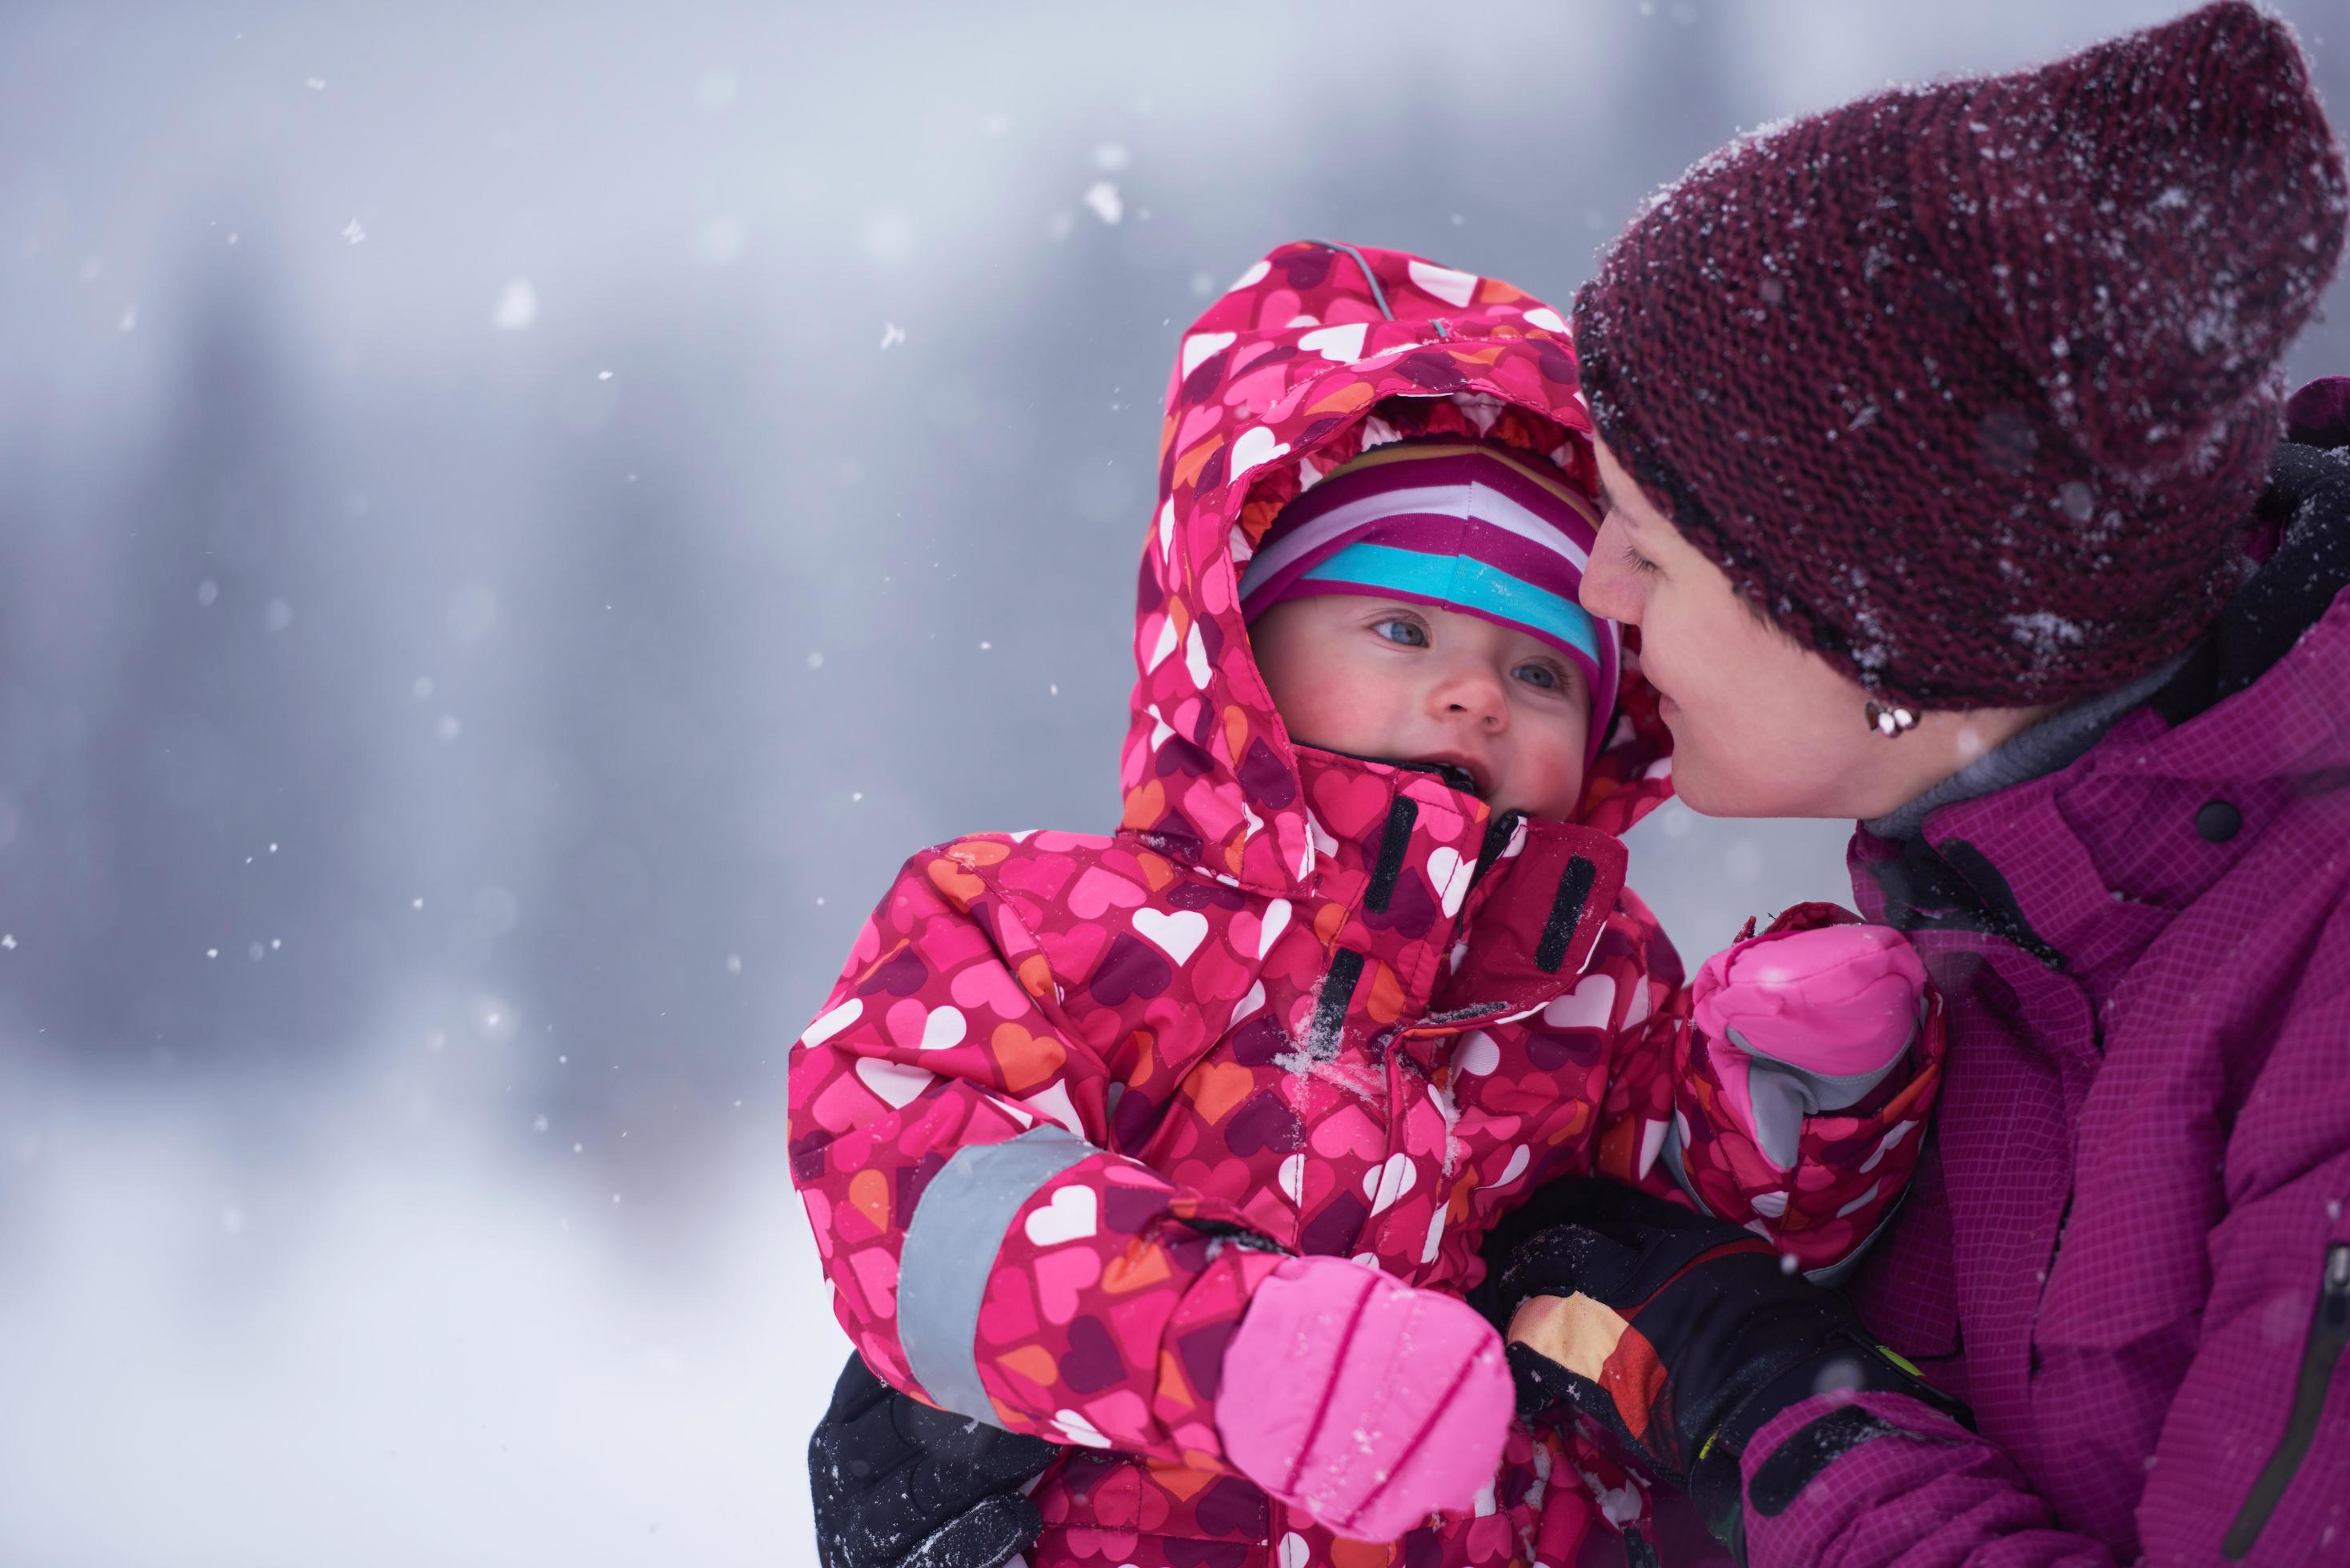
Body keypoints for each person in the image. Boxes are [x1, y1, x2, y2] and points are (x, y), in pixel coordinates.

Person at [789, 240, 1950, 1568]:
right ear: (1242, 642)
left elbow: (1697, 1253)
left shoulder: (1593, 981)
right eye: (1402, 632)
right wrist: (1228, 1342)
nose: (1473, 695)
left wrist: (1796, 1096)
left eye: (1538, 671)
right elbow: (923, 1198)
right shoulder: (1049, 927)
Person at [1483, 3, 2350, 1564]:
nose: (1593, 591)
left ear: (1881, 626)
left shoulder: (2313, 1011)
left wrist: (1764, 1403)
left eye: (1649, 546)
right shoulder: (1989, 920)